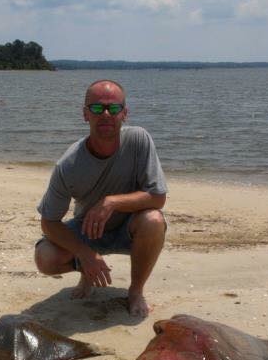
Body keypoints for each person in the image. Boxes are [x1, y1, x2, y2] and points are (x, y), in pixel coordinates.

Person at [34, 79, 168, 318]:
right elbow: (49, 222)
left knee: (154, 220)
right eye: (97, 108)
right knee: (45, 257)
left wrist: (111, 202)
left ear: (125, 113)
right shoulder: (69, 164)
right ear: (85, 114)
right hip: (89, 230)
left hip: (131, 229)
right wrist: (85, 254)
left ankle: (136, 291)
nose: (106, 114)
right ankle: (88, 272)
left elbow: (157, 197)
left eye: (114, 108)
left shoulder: (139, 140)